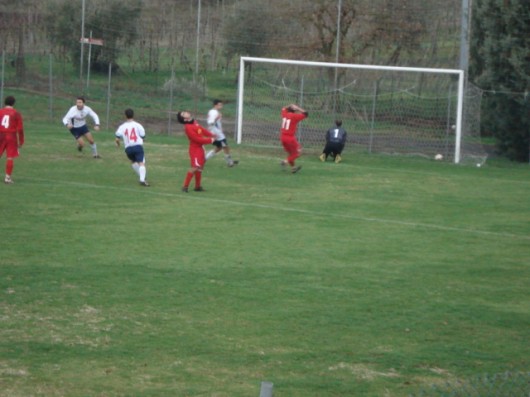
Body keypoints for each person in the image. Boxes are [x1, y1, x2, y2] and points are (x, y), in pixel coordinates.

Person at [177, 110, 216, 192]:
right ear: (184, 119)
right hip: (195, 149)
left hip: (200, 148)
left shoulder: (194, 122)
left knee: (200, 168)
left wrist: (212, 135)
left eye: (185, 112)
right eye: (184, 114)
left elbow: (202, 130)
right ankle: (185, 186)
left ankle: (197, 187)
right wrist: (211, 140)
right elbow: (197, 139)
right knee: (195, 167)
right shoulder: (188, 127)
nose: (186, 112)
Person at [115, 108, 149, 187]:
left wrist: (118, 143)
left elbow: (117, 138)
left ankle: (142, 176)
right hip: (137, 146)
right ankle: (142, 179)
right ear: (133, 115)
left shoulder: (122, 126)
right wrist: (143, 140)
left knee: (133, 162)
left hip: (128, 148)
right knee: (141, 163)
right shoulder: (138, 125)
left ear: (125, 116)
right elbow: (143, 136)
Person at [205, 99, 238, 167]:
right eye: (220, 105)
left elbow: (215, 122)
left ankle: (204, 158)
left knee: (219, 147)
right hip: (216, 133)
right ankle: (229, 162)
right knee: (225, 146)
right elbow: (211, 122)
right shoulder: (214, 112)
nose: (221, 106)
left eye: (222, 105)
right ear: (215, 105)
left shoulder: (215, 112)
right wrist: (214, 128)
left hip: (217, 132)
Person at [0, 96, 24, 184]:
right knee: (10, 157)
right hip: (11, 136)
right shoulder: (16, 113)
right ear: (13, 103)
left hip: (0, 134)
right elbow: (20, 129)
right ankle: (7, 178)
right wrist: (21, 141)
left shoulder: (0, 112)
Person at [280, 103, 308, 173]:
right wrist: (298, 108)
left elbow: (283, 108)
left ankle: (293, 168)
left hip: (282, 137)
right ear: (294, 110)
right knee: (298, 152)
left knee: (291, 154)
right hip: (290, 138)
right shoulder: (294, 116)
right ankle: (285, 161)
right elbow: (306, 114)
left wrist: (290, 105)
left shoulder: (284, 114)